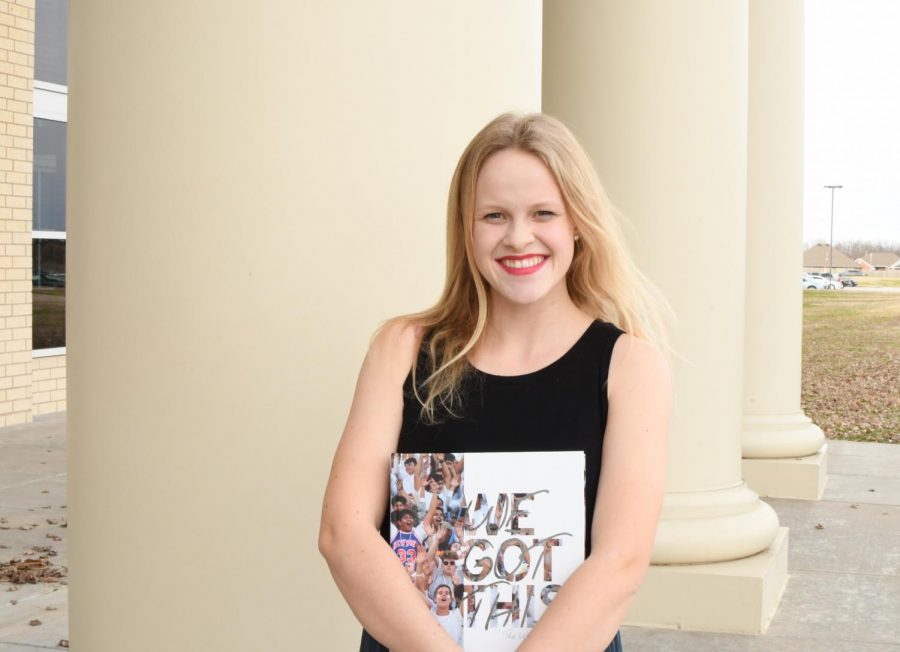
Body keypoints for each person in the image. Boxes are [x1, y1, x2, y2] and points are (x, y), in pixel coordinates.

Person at [319, 112, 671, 652]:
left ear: (577, 220)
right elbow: (343, 534)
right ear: (467, 227)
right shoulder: (403, 349)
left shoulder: (630, 366)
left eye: (543, 213)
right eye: (494, 215)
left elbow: (620, 561)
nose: (519, 236)